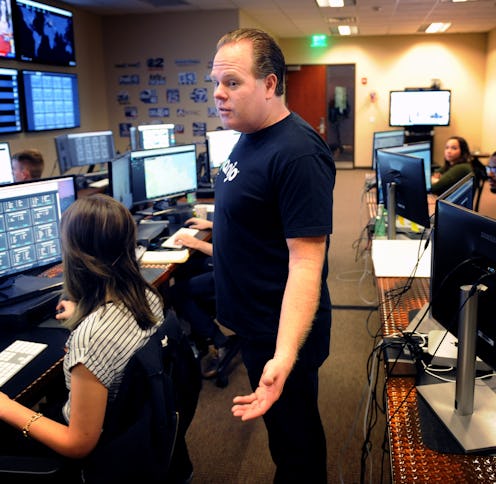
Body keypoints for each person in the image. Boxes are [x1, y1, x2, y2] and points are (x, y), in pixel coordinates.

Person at [210, 28, 335, 482]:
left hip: (280, 329)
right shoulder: (249, 133)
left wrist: (282, 358)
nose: (219, 95)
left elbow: (306, 262)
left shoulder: (298, 152)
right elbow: (252, 208)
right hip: (257, 321)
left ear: (269, 83)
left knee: (296, 446)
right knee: (285, 436)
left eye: (232, 83)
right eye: (215, 83)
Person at [0, 195, 164, 465]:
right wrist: (84, 313)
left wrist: (6, 406)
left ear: (75, 256)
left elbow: (77, 444)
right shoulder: (147, 295)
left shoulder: (92, 338)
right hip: (132, 423)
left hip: (90, 440)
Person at [170, 216, 236, 378]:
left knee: (176, 293)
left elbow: (238, 252)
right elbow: (241, 228)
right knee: (183, 269)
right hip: (234, 262)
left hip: (238, 271)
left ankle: (218, 339)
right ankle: (198, 335)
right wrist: (212, 225)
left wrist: (197, 243)